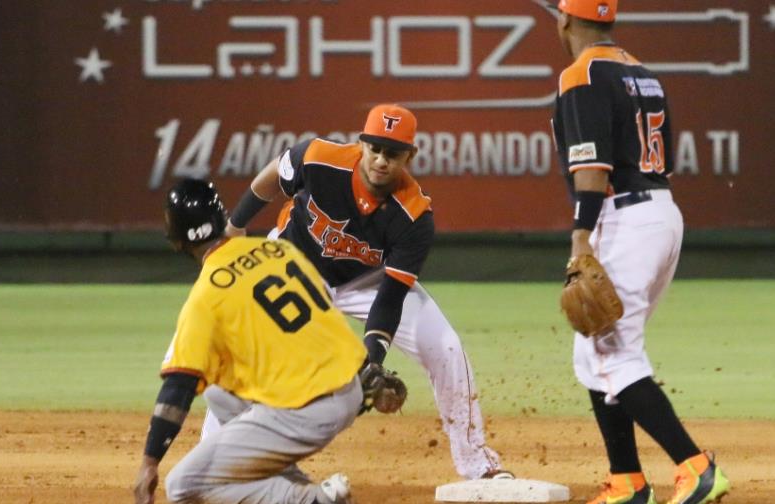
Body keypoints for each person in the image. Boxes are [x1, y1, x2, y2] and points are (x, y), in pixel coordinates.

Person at [220, 103, 511, 480]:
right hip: (296, 268)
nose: (380, 160)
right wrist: (236, 224)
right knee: (248, 347)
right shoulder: (320, 159)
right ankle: (220, 459)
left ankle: (478, 465)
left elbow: (390, 297)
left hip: (367, 282)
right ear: (361, 144)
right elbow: (276, 174)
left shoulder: (414, 216)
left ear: (410, 156)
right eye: (374, 148)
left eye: (392, 153)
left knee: (448, 347)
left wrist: (371, 358)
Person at [549, 1, 730, 503]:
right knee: (597, 347)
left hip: (621, 216)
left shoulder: (580, 74)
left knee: (613, 354)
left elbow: (592, 168)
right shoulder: (643, 73)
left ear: (564, 20)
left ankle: (696, 467)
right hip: (661, 213)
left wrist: (581, 235)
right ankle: (626, 480)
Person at [132, 178, 366, 504]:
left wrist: (149, 462)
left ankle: (313, 501)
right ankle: (309, 489)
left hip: (306, 412)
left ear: (177, 242)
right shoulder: (278, 248)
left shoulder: (207, 295)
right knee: (217, 389)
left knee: (183, 485)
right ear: (220, 218)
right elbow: (326, 312)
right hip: (350, 389)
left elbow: (179, 386)